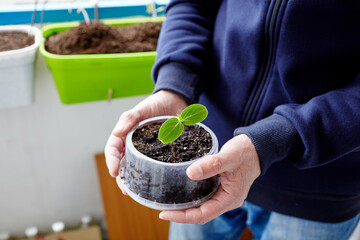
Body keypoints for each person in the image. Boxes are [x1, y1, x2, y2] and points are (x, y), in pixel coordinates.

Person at [105, 0, 360, 239]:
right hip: (202, 168)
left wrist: (280, 136)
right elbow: (192, 4)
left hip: (319, 188)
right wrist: (174, 84)